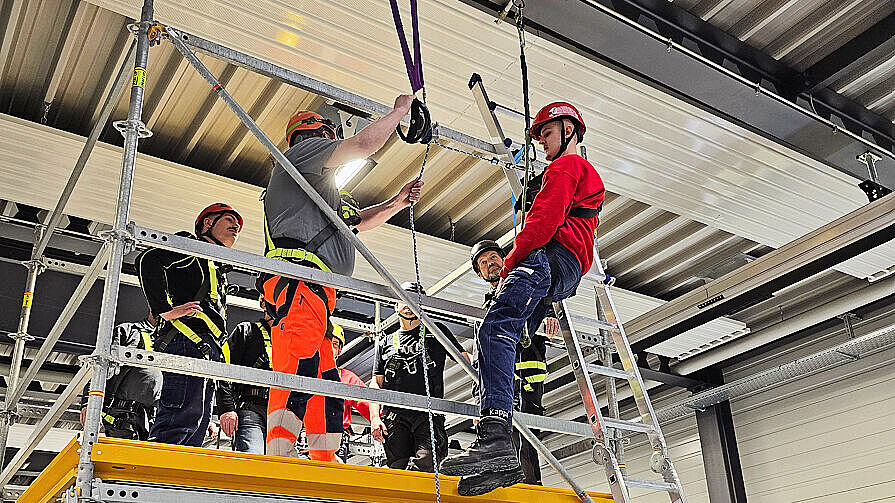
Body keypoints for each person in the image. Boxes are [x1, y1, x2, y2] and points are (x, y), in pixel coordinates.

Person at [440, 102, 604, 496]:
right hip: (562, 272)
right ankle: (506, 456)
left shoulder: (566, 168)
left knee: (493, 330)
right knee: (504, 340)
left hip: (547, 259)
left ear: (569, 129)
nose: (543, 144)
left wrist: (512, 260)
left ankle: (496, 438)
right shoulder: (575, 175)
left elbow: (542, 223)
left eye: (547, 134)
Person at [262, 96, 424, 461]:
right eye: (327, 137)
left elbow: (358, 222)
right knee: (300, 367)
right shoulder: (299, 158)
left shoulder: (322, 195)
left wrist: (397, 203)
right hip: (299, 283)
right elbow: (363, 145)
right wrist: (398, 112)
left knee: (324, 381)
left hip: (314, 292)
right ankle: (278, 456)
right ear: (315, 136)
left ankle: (324, 457)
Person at [136, 203, 242, 446]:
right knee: (180, 417)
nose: (236, 226)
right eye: (228, 219)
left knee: (197, 423)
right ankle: (156, 479)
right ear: (207, 223)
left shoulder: (216, 267)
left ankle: (173, 481)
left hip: (206, 348)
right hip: (186, 341)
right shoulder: (190, 247)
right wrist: (164, 310)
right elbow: (147, 260)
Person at [470, 239, 560, 485]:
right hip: (500, 385)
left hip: (526, 380)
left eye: (493, 258)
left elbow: (547, 289)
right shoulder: (485, 311)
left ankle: (529, 492)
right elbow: (482, 358)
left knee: (525, 443)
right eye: (484, 263)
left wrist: (550, 311)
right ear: (480, 274)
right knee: (501, 439)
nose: (490, 265)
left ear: (504, 259)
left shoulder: (523, 285)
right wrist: (481, 400)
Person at [368, 282, 471, 472]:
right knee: (398, 471)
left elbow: (466, 361)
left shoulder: (436, 331)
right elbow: (376, 383)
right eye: (403, 298)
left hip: (429, 414)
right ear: (395, 306)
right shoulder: (385, 342)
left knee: (426, 465)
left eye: (414, 298)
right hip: (395, 417)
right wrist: (375, 418)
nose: (408, 303)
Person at [79, 314, 163, 441]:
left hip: (154, 419)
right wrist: (88, 403)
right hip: (123, 417)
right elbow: (100, 367)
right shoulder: (128, 330)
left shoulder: (174, 341)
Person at [216, 298, 273, 454]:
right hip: (251, 409)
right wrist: (227, 408)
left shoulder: (290, 340)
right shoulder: (247, 331)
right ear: (263, 304)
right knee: (253, 462)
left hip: (281, 415)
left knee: (279, 471)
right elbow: (225, 370)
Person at [329, 323, 372, 463]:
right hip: (305, 439)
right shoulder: (306, 373)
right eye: (327, 342)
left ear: (340, 350)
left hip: (335, 441)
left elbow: (369, 405)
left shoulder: (346, 378)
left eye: (335, 344)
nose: (330, 347)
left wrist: (381, 419)